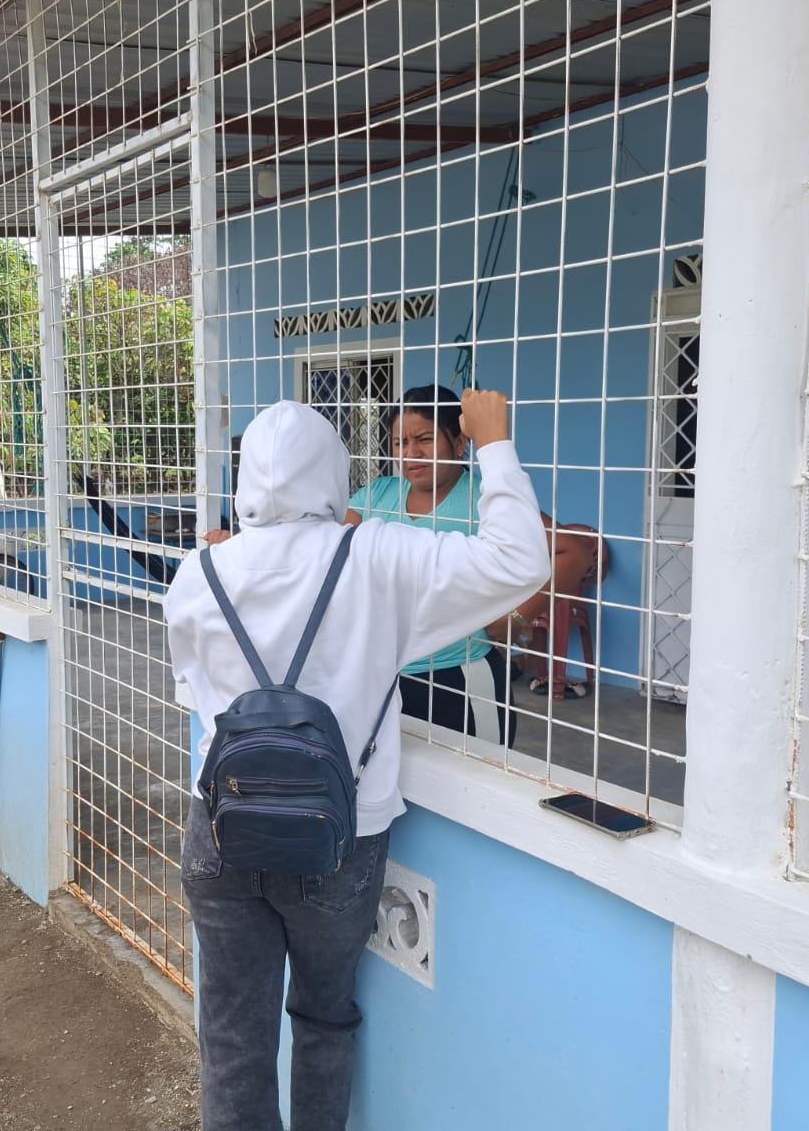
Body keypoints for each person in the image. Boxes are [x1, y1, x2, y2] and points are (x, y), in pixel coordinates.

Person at [166, 390, 548, 1131]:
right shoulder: (376, 552)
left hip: (221, 828)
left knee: (231, 1030)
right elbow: (519, 562)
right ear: (334, 473)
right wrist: (495, 443)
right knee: (322, 1013)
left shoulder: (199, 571)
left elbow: (194, 689)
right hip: (339, 837)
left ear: (246, 480)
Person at [346, 384, 518, 743]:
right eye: (400, 443)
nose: (411, 454)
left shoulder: (484, 498)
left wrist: (514, 618)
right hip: (385, 676)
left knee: (478, 771)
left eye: (424, 439)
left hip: (462, 674)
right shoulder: (378, 494)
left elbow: (570, 550)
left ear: (459, 442)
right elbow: (328, 551)